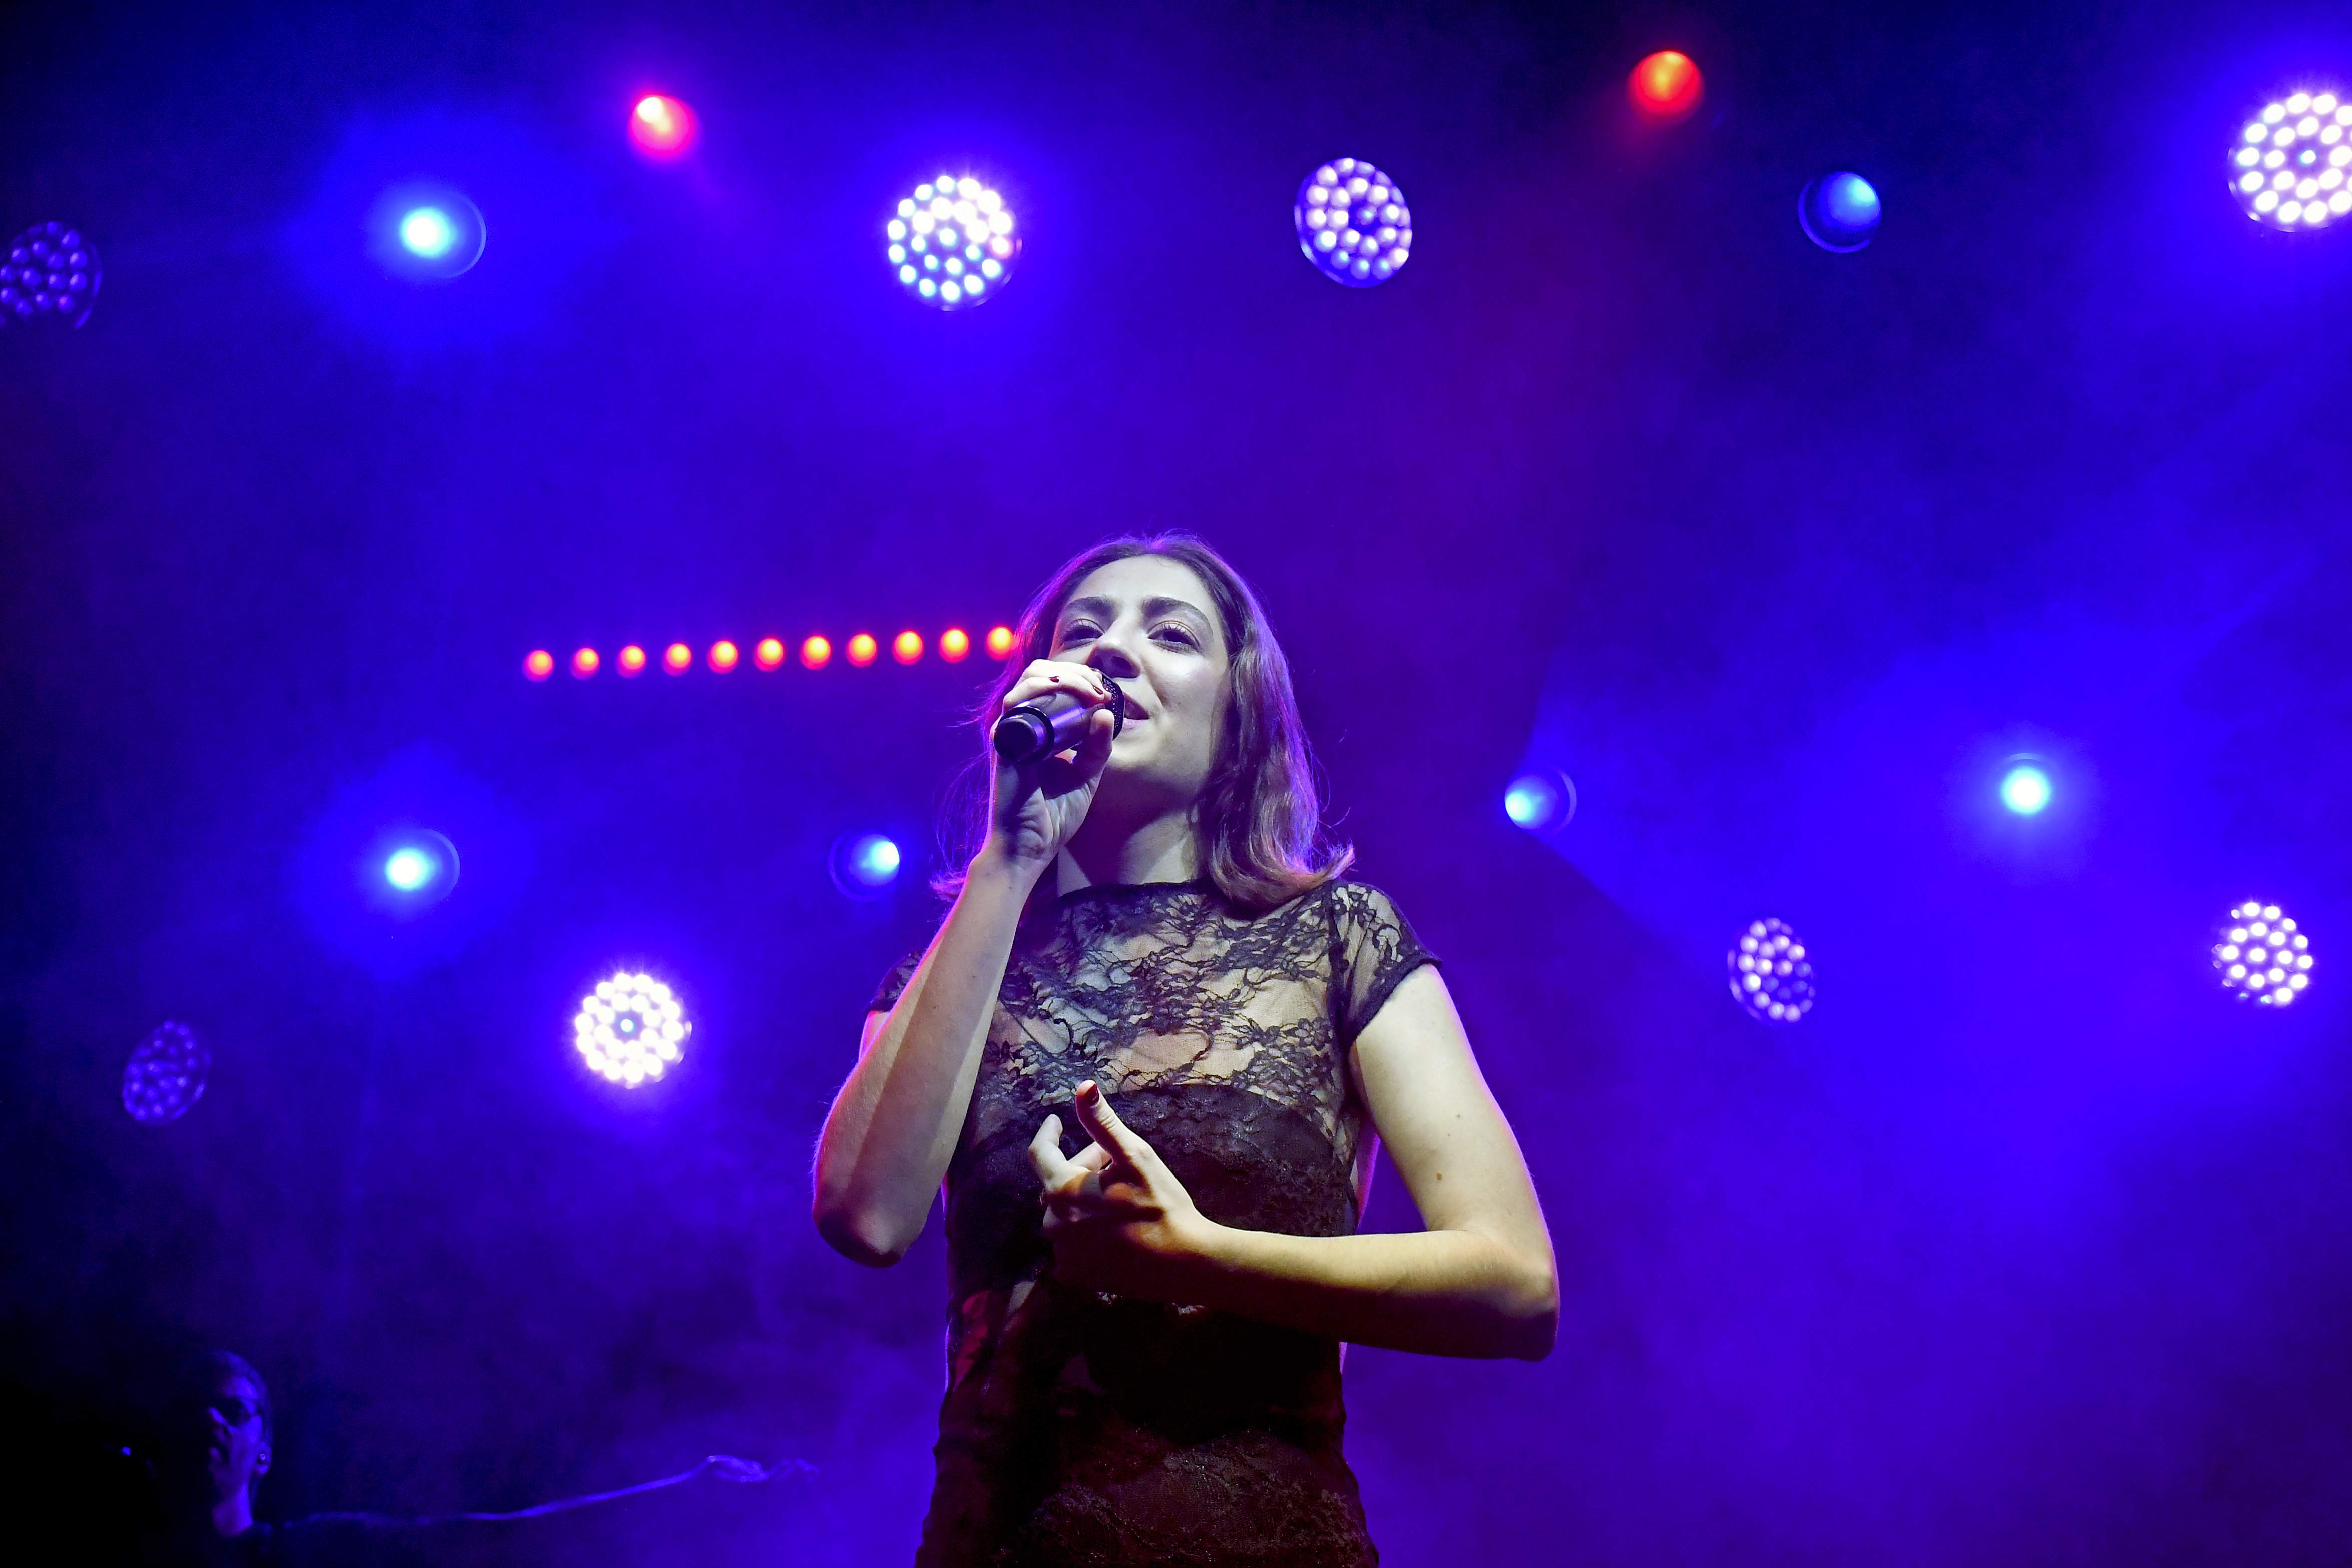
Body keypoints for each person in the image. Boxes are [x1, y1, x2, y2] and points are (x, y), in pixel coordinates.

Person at [814, 534, 1558, 1566]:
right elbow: (866, 1215)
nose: (1115, 651)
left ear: (1239, 715)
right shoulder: (953, 972)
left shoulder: (1337, 938)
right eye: (1086, 632)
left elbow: (1515, 1284)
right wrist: (1011, 855)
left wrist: (1203, 1258)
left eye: (1171, 634)